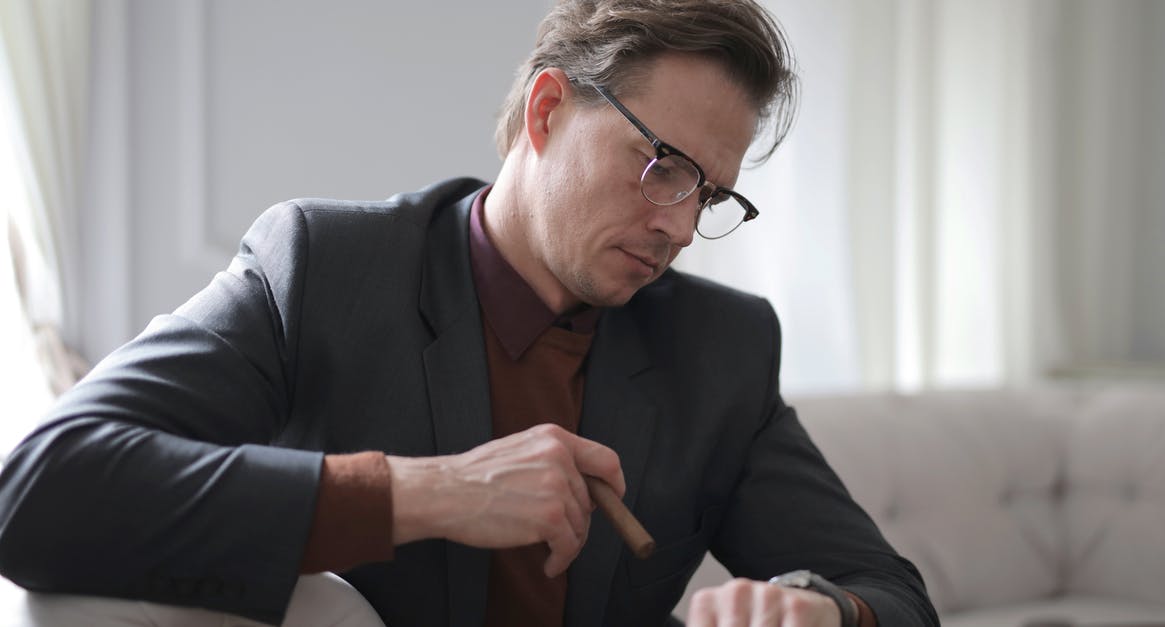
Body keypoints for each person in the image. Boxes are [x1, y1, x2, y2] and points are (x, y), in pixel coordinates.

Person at [0, 1, 938, 626]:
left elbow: (893, 594)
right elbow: (37, 487)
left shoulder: (719, 349)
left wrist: (822, 610)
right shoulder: (324, 269)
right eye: (663, 167)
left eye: (711, 196)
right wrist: (431, 493)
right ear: (544, 112)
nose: (681, 227)